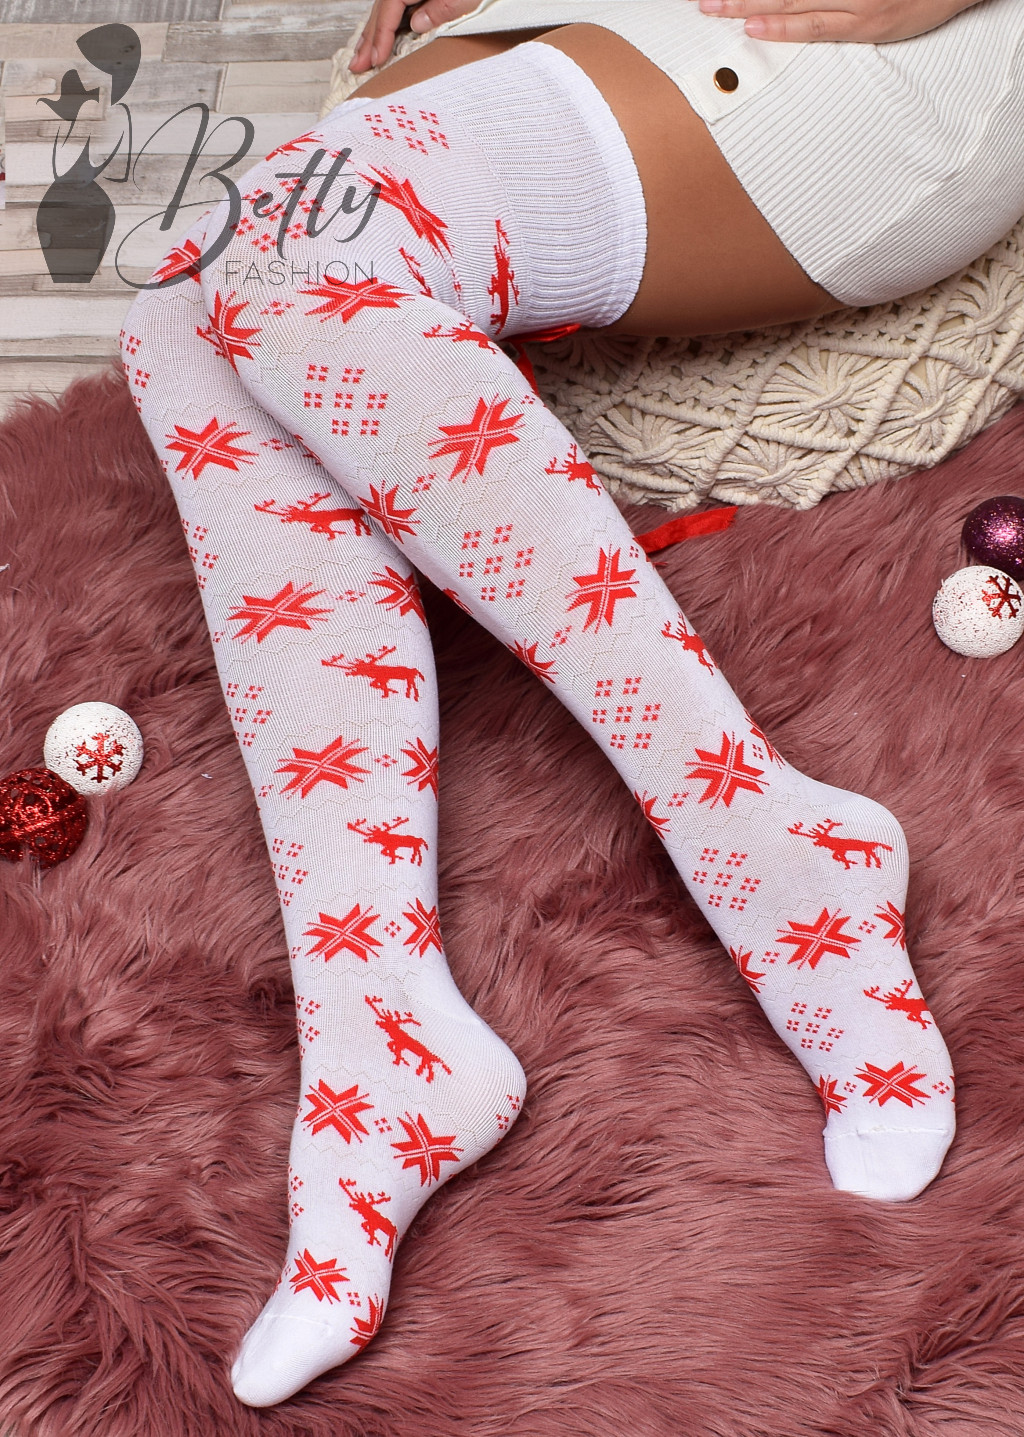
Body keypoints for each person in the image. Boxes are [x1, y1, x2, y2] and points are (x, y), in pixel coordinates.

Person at [120, 0, 1020, 1405]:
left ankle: (767, 845)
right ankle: (376, 1028)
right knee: (184, 305)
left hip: (894, 48)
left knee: (289, 255)